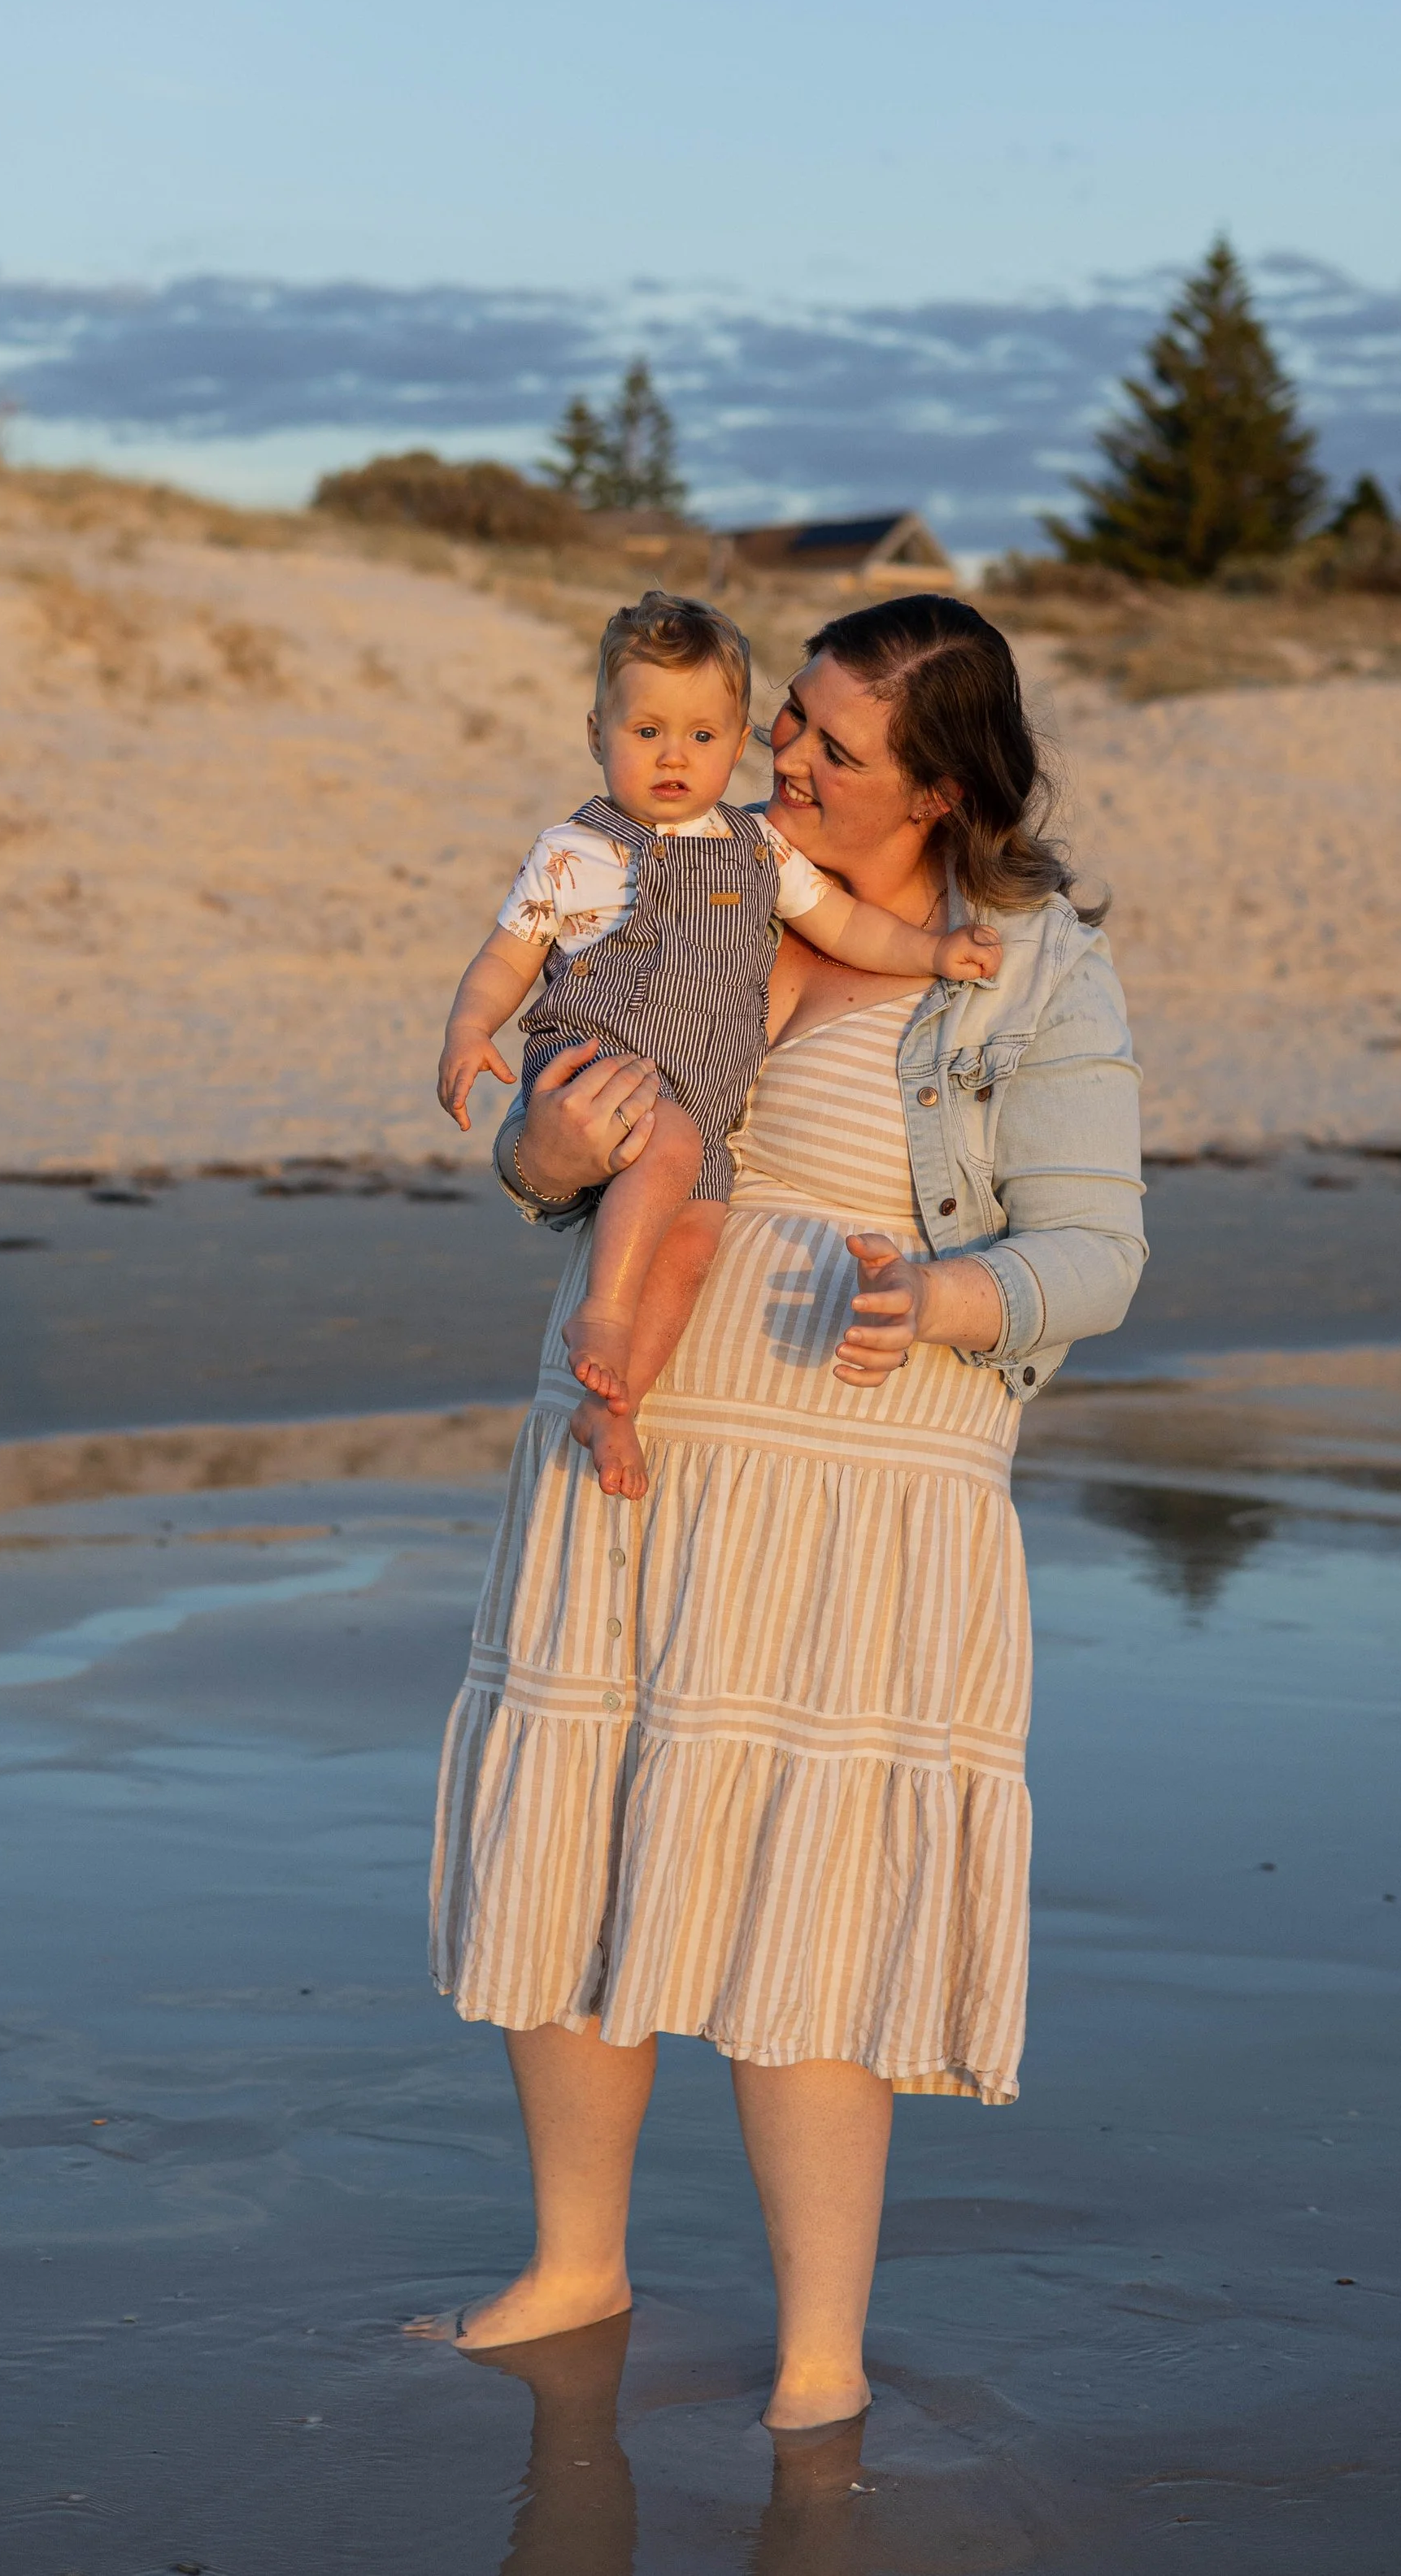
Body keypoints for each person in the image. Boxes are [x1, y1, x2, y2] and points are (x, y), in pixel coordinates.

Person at [411, 594, 1146, 2432]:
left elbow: (1098, 1247)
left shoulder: (1031, 960)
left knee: (807, 1892)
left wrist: (955, 1300)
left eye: (828, 740)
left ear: (944, 781)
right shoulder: (680, 864)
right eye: (788, 721)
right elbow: (550, 1153)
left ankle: (820, 2346)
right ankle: (579, 2257)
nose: (779, 756)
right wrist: (544, 1153)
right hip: (629, 1435)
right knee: (578, 1838)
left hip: (861, 1479)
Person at [437, 591, 998, 1495]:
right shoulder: (574, 849)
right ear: (596, 732)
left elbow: (850, 927)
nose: (672, 756)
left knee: (695, 1237)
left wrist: (935, 952)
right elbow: (509, 954)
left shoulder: (759, 849)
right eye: (647, 730)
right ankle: (604, 1319)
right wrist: (471, 1030)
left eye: (702, 737)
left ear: (735, 742)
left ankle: (616, 1406)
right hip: (596, 1063)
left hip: (695, 1098)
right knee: (669, 1147)